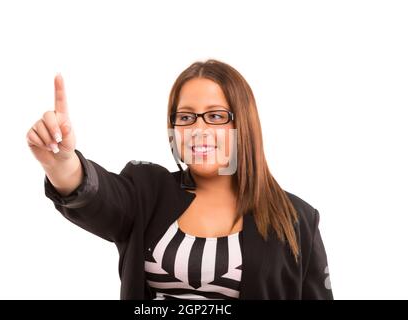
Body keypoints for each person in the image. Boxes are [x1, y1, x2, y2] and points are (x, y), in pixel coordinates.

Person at [26, 59, 333, 300]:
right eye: (185, 117)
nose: (198, 129)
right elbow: (99, 196)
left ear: (244, 124)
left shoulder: (298, 220)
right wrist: (63, 165)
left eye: (215, 116)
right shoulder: (147, 190)